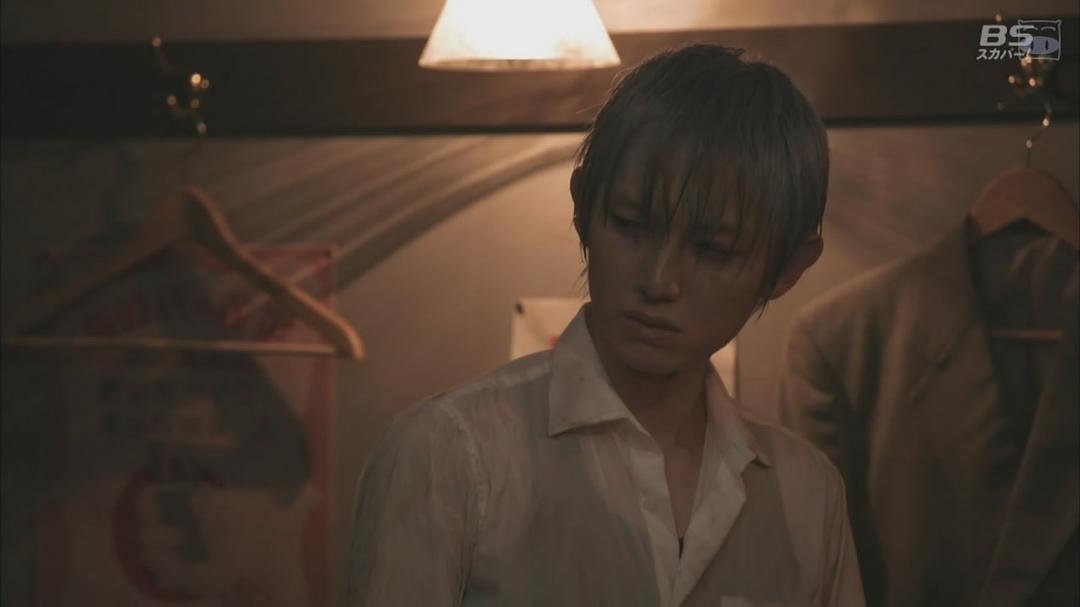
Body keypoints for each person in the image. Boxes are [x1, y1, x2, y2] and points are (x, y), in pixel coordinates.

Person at [348, 44, 864, 606]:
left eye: (713, 250)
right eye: (631, 224)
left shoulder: (807, 492)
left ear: (787, 270)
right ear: (583, 209)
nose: (659, 281)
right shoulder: (449, 452)